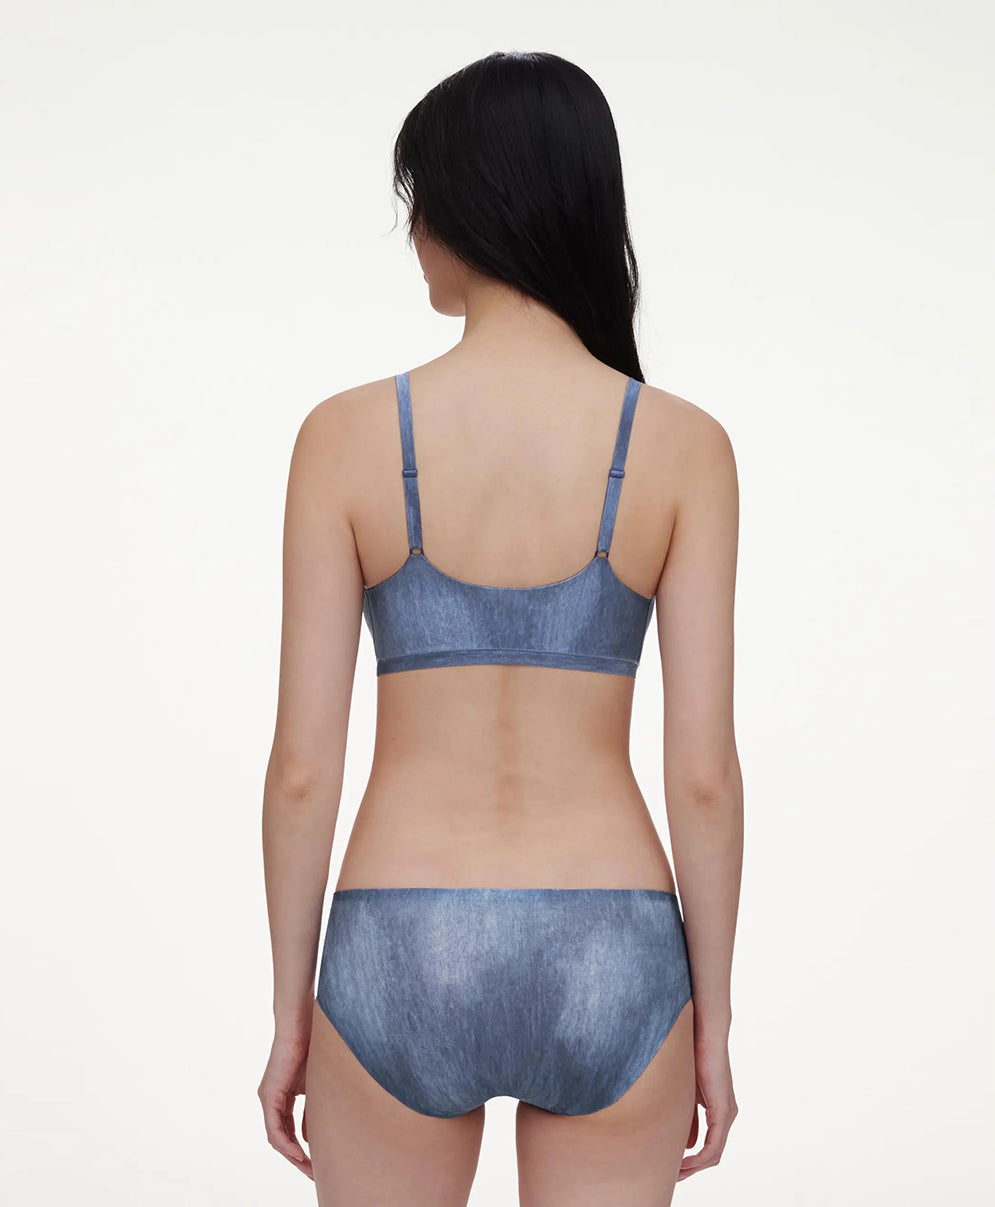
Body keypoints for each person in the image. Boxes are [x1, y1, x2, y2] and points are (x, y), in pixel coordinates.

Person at [258, 50, 742, 1206]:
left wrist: (290, 1017)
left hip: (396, 943)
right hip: (614, 944)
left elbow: (302, 771)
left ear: (470, 205)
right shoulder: (683, 446)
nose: (413, 231)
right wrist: (713, 1024)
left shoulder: (344, 437)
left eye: (417, 198)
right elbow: (703, 776)